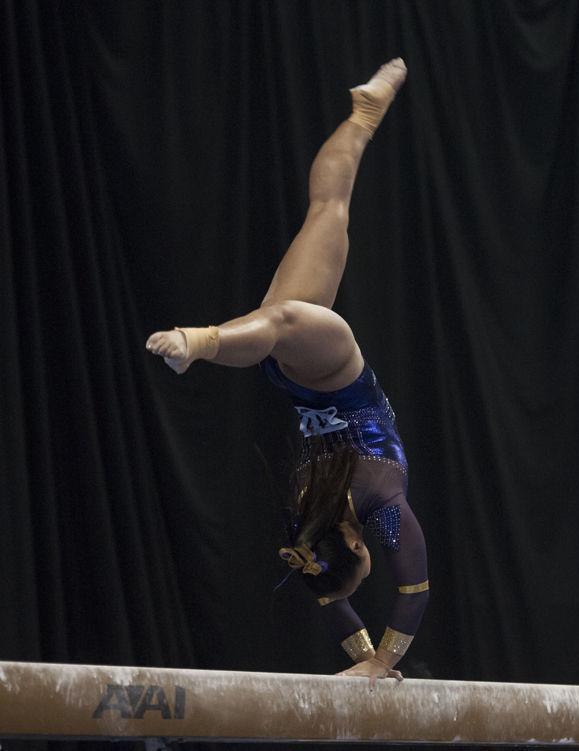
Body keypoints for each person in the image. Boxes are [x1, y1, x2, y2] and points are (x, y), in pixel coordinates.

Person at [146, 58, 429, 684]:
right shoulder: (311, 515)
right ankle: (365, 114)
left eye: (363, 564)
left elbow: (408, 593)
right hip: (307, 375)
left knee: (291, 299)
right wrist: (374, 665)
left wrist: (379, 660)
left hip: (332, 373)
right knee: (324, 218)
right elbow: (336, 595)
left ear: (357, 546)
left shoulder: (380, 506)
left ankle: (201, 340)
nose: (369, 566)